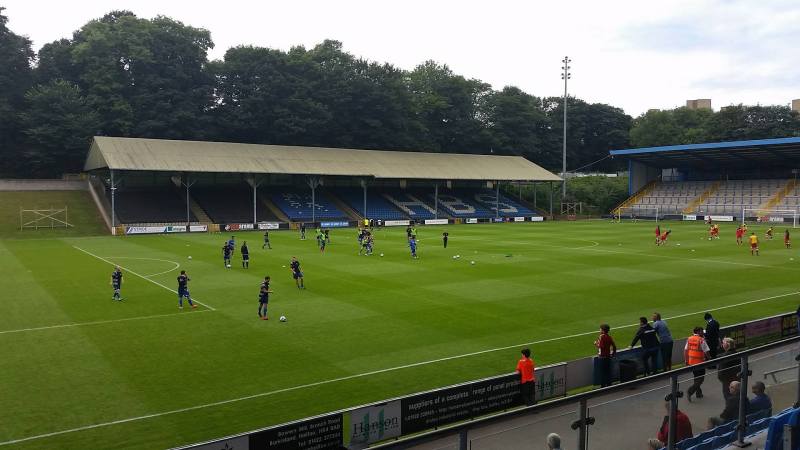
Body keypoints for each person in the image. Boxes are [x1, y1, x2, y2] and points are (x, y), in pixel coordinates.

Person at [685, 326, 710, 401]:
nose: (703, 332)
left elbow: (685, 350)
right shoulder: (701, 340)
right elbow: (706, 351)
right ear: (698, 332)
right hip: (700, 362)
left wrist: (686, 360)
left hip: (691, 362)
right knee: (701, 379)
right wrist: (709, 358)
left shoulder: (689, 339)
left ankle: (698, 393)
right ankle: (690, 391)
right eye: (702, 331)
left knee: (696, 378)